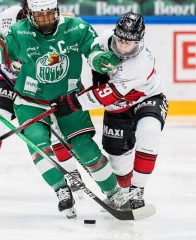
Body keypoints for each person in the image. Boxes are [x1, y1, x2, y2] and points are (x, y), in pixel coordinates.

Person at [0, 0, 136, 218]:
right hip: (30, 102)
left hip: (68, 100)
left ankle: (114, 193)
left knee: (85, 147)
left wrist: (99, 61)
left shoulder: (76, 28)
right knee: (39, 146)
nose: (45, 20)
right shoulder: (19, 32)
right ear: (29, 13)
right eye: (39, 15)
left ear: (57, 11)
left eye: (49, 14)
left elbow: (94, 50)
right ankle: (60, 189)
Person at [53, 12, 168, 210]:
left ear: (139, 40)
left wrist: (72, 103)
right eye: (121, 39)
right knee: (118, 161)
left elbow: (106, 94)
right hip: (116, 109)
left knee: (149, 132)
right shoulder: (104, 40)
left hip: (147, 98)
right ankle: (123, 193)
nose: (123, 46)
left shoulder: (141, 62)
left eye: (129, 42)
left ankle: (138, 189)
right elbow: (88, 51)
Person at [0, 0, 83, 199]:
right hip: (11, 83)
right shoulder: (6, 18)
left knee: (57, 128)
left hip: (43, 88)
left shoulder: (54, 22)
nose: (42, 19)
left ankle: (72, 172)